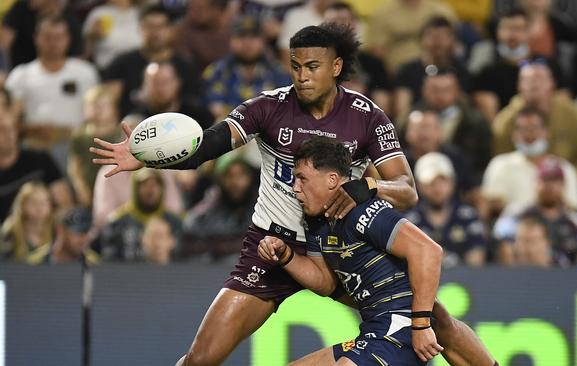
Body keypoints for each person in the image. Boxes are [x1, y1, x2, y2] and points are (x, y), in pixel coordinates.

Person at [91, 23, 495, 366]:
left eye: (313, 67)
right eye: (296, 66)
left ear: (336, 67)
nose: (302, 76)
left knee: (433, 317)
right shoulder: (268, 108)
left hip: (340, 248)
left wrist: (368, 185)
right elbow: (208, 147)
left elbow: (407, 190)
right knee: (201, 359)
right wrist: (149, 157)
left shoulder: (368, 116)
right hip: (272, 246)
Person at [259, 137, 495, 365]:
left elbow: (428, 250)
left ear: (332, 179)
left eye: (302, 179)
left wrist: (421, 325)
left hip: (401, 326)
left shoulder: (361, 210)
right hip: (374, 330)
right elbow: (325, 283)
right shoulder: (315, 222)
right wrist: (286, 257)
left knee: (441, 320)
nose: (295, 188)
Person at [5, 15, 99, 168]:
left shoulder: (85, 72)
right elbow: (8, 119)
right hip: (36, 144)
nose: (54, 42)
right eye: (48, 37)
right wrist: (30, 129)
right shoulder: (21, 75)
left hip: (78, 143)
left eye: (59, 37)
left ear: (68, 38)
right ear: (37, 38)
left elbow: (100, 112)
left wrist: (72, 132)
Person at [407, 152, 487, 267]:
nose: (437, 187)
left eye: (443, 180)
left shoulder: (468, 217)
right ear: (419, 185)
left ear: (453, 182)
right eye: (430, 182)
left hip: (465, 282)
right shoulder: (410, 222)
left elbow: (477, 259)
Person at [0, 181, 55, 262]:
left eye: (44, 202)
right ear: (22, 205)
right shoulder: (10, 230)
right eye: (34, 202)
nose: (39, 207)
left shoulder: (57, 230)